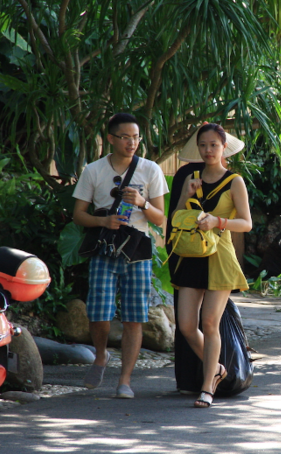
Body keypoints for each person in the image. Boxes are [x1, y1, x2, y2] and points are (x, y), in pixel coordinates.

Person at [73, 113, 168, 399]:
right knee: (98, 313)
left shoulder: (150, 170)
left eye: (136, 137)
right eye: (125, 137)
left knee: (134, 318)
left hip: (137, 252)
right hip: (104, 248)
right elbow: (78, 215)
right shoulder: (94, 170)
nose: (132, 142)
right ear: (111, 138)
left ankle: (124, 380)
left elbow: (160, 218)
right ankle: (101, 356)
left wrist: (142, 203)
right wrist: (103, 222)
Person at [170, 123, 252, 408]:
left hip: (220, 257)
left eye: (213, 145)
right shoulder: (191, 177)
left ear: (223, 147)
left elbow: (247, 223)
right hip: (192, 255)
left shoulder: (234, 181)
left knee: (209, 322)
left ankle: (207, 387)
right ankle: (216, 368)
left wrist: (218, 221)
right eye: (203, 145)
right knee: (186, 326)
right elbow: (177, 217)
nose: (208, 150)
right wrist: (185, 194)